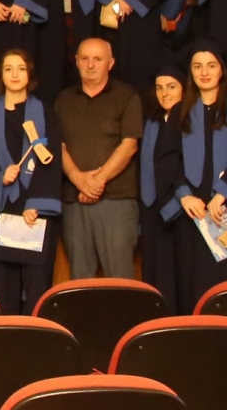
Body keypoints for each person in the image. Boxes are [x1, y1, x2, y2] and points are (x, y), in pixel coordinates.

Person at [159, 41, 227, 313]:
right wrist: (184, 195)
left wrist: (224, 193)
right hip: (192, 211)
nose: (204, 72)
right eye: (197, 66)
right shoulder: (180, 110)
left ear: (221, 70)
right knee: (193, 282)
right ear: (190, 72)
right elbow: (167, 158)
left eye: (211, 65)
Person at [0, 49, 63, 318]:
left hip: (35, 211)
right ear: (1, 76)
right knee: (1, 286)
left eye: (21, 69)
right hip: (1, 206)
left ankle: (35, 337)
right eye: (8, 69)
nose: (14, 74)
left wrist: (36, 204)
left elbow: (52, 161)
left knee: (37, 285)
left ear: (30, 75)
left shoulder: (44, 112)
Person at [55, 39, 146, 280]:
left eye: (98, 59)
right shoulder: (64, 100)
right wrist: (78, 178)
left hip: (116, 200)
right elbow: (58, 146)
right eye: (84, 58)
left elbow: (129, 145)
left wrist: (97, 181)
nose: (90, 65)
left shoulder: (127, 96)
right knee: (80, 279)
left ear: (111, 63)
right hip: (74, 201)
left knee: (119, 278)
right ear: (76, 62)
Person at [136, 64, 186, 303]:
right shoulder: (150, 122)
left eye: (171, 87)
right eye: (159, 88)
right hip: (152, 208)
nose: (164, 93)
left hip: (180, 208)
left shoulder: (191, 121)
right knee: (154, 272)